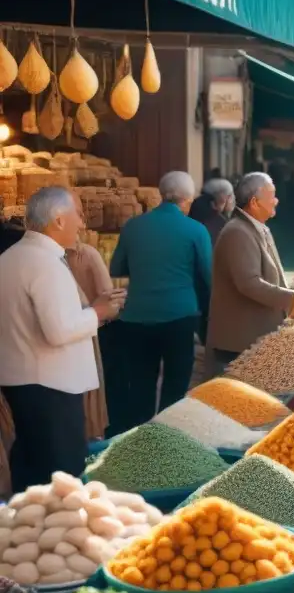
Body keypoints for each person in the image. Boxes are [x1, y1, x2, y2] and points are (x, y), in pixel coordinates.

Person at [0, 187, 124, 491]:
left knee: (31, 464)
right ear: (58, 220)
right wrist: (99, 312)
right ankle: (51, 535)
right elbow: (59, 331)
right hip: (49, 385)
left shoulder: (12, 256)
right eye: (77, 215)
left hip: (25, 381)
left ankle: (24, 531)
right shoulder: (43, 263)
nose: (81, 223)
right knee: (61, 473)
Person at [108, 171, 212, 435]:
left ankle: (139, 442)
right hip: (179, 315)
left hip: (137, 316)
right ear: (188, 199)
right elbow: (209, 275)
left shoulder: (134, 226)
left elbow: (116, 267)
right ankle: (167, 441)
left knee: (141, 384)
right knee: (175, 385)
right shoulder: (195, 230)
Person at [205, 173, 294, 380]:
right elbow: (249, 283)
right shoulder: (237, 232)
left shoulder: (256, 227)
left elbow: (272, 275)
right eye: (272, 195)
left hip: (256, 339)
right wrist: (291, 298)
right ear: (254, 202)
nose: (277, 200)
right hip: (239, 343)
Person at [66, 195, 116, 442]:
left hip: (84, 332)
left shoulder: (84, 254)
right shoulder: (85, 254)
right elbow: (110, 301)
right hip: (85, 334)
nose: (82, 222)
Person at [189, 178, 235, 245]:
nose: (233, 199)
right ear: (224, 198)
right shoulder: (220, 224)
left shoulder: (191, 213)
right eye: (231, 195)